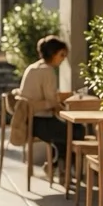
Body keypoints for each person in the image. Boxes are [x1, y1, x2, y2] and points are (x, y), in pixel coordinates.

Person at [18, 35, 72, 169]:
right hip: (39, 122)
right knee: (76, 131)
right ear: (53, 54)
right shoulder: (48, 71)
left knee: (65, 131)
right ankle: (61, 168)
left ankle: (55, 165)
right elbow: (52, 101)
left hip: (27, 121)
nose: (63, 59)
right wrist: (65, 109)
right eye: (62, 54)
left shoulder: (32, 67)